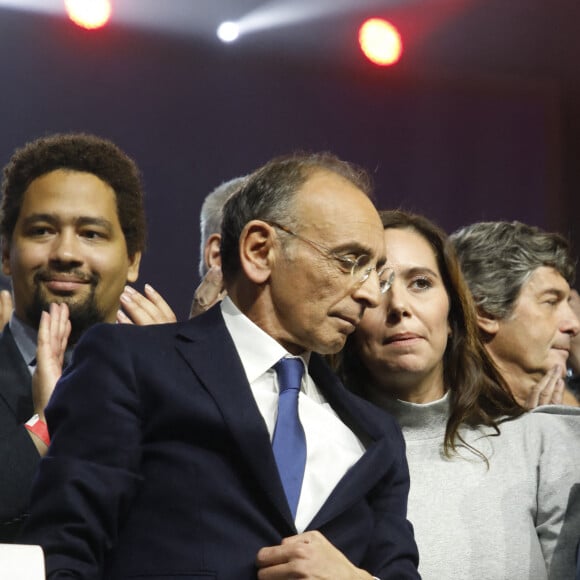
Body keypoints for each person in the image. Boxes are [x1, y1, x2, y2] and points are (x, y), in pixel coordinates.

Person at [21, 152, 420, 579]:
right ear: (259, 250)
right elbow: (61, 553)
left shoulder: (376, 436)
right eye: (348, 262)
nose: (371, 296)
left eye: (374, 273)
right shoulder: (133, 365)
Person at [335, 209, 580, 579]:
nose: (399, 306)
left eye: (420, 283)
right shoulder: (316, 447)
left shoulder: (539, 444)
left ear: (453, 314)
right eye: (378, 284)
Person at [0, 132, 148, 541]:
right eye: (43, 230)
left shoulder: (167, 387)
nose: (66, 252)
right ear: (5, 254)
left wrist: (168, 390)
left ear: (133, 258)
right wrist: (50, 429)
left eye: (91, 234)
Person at [450, 220, 580, 408]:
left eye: (568, 303)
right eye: (550, 302)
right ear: (486, 312)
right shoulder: (448, 426)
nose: (574, 325)